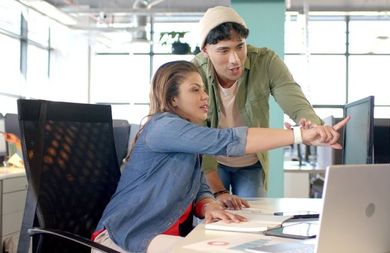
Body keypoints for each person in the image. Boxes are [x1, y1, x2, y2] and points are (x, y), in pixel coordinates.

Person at [93, 61, 348, 253]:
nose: (205, 97)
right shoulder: (163, 127)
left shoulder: (185, 136)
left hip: (158, 235)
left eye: (204, 89)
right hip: (124, 238)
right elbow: (226, 141)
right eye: (195, 90)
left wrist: (210, 205)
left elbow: (199, 187)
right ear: (172, 98)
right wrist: (300, 135)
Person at [192, 6, 324, 208]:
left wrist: (314, 126)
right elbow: (198, 137)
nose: (235, 59)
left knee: (253, 218)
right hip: (211, 163)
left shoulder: (265, 61)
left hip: (250, 163)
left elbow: (295, 102)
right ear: (205, 50)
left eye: (240, 46)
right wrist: (217, 190)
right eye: (224, 50)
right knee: (212, 221)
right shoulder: (194, 74)